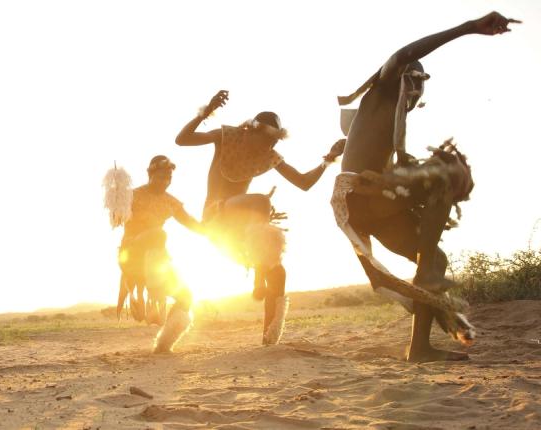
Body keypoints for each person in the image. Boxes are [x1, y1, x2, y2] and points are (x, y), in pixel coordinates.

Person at [332, 11, 519, 362]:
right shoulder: (383, 91)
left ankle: (418, 348)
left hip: (376, 205)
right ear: (401, 76)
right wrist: (468, 28)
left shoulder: (394, 120)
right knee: (445, 171)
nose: (417, 90)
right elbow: (402, 56)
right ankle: (432, 310)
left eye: (422, 84)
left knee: (434, 257)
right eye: (413, 80)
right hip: (360, 196)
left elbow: (393, 171)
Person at [175, 91, 345, 345]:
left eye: (274, 142)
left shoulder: (267, 155)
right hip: (215, 215)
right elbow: (182, 140)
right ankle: (257, 274)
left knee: (277, 271)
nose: (270, 147)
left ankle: (269, 338)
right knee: (261, 201)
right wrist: (207, 111)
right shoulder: (226, 136)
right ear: (251, 130)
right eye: (267, 140)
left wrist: (329, 159)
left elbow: (303, 182)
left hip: (239, 231)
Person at [108, 155, 202, 352]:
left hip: (157, 261)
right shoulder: (133, 195)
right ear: (150, 174)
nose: (165, 181)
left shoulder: (171, 202)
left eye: (169, 177)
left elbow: (191, 223)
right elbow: (116, 220)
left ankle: (163, 344)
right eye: (161, 176)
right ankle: (153, 291)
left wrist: (215, 228)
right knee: (159, 233)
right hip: (132, 253)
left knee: (186, 296)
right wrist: (116, 198)